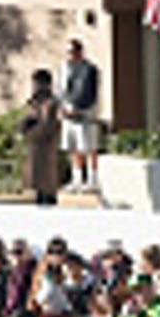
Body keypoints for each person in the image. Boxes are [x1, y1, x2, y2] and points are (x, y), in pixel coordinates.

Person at [58, 39, 102, 193]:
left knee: (88, 146)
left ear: (80, 52)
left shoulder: (89, 69)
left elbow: (89, 93)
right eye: (68, 52)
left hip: (84, 113)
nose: (70, 55)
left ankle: (92, 179)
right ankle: (76, 179)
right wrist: (61, 107)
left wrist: (78, 108)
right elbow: (61, 90)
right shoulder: (65, 68)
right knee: (72, 147)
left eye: (73, 52)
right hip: (67, 112)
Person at [19, 69, 63, 206]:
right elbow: (28, 118)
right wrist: (24, 126)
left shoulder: (50, 103)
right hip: (34, 145)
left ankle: (48, 197)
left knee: (46, 178)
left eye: (38, 83)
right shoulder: (34, 102)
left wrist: (32, 133)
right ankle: (38, 195)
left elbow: (48, 126)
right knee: (35, 178)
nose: (35, 86)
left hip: (45, 146)